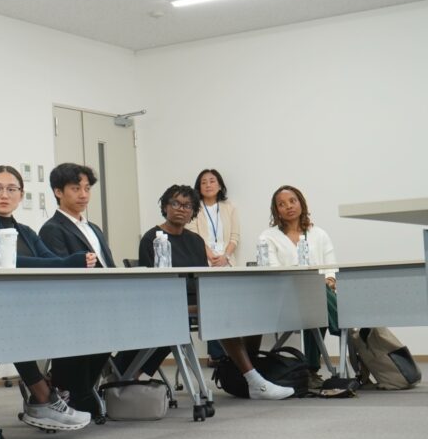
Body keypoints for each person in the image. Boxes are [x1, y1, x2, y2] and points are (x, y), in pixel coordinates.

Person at [134, 184, 293, 400]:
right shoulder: (152, 238)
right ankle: (254, 380)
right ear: (165, 206)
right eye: (176, 204)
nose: (182, 209)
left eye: (188, 205)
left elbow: (201, 280)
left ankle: (251, 372)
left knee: (247, 310)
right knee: (221, 313)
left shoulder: (195, 240)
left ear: (193, 211)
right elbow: (151, 286)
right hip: (167, 303)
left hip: (198, 300)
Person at [0, 165, 93, 431]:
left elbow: (49, 261)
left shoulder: (26, 231)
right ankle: (44, 397)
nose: (4, 195)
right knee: (15, 328)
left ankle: (48, 396)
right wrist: (69, 262)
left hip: (24, 307)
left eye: (12, 189)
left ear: (21, 195)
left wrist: (67, 262)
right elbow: (6, 261)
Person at [37, 163, 115, 415]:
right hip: (75, 305)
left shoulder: (94, 229)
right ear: (58, 192)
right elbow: (61, 273)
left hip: (103, 300)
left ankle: (79, 390)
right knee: (98, 327)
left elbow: (109, 266)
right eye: (75, 188)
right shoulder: (52, 229)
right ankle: (74, 390)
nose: (83, 194)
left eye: (87, 188)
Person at [258, 185, 338, 388]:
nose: (288, 207)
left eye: (292, 201)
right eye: (282, 204)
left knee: (317, 295)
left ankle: (311, 369)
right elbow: (273, 271)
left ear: (301, 203)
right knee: (315, 292)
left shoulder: (319, 233)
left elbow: (331, 267)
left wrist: (329, 279)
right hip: (285, 297)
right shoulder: (268, 236)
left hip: (319, 296)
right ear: (276, 211)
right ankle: (344, 325)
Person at [185, 168, 241, 365]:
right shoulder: (193, 208)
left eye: (212, 181)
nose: (208, 185)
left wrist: (225, 256)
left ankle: (230, 352)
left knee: (230, 304)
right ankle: (217, 354)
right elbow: (194, 236)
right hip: (203, 262)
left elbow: (235, 236)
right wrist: (210, 255)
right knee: (213, 302)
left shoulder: (229, 207)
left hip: (226, 262)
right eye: (203, 182)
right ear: (199, 187)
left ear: (220, 185)